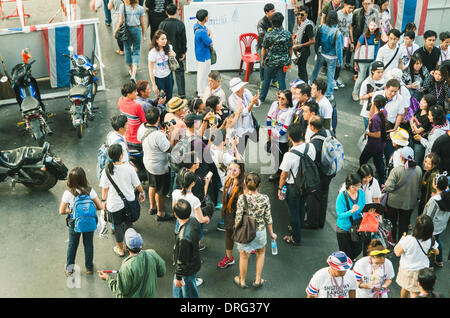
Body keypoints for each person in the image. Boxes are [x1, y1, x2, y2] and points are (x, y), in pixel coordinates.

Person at [100, 144, 146, 257]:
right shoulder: (129, 168)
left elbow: (104, 189)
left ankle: (120, 250)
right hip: (129, 202)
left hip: (114, 204)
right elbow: (137, 184)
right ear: (121, 155)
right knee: (129, 223)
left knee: (118, 227)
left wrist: (103, 201)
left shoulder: (106, 170)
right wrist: (142, 192)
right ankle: (131, 247)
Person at [233, 172, 276, 288]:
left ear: (246, 184)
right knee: (260, 252)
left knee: (243, 255)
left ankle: (242, 281)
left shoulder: (242, 198)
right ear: (260, 185)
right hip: (260, 231)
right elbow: (268, 217)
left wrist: (236, 232)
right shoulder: (265, 198)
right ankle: (257, 280)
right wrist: (272, 233)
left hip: (245, 231)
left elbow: (238, 217)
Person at [97, 228, 166, 298]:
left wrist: (108, 279)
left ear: (127, 247)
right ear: (142, 244)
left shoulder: (127, 266)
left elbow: (121, 290)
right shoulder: (152, 254)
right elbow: (162, 272)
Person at [60, 167, 103, 276]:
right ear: (84, 178)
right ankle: (89, 268)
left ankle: (69, 269)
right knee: (88, 244)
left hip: (74, 223)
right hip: (89, 222)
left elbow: (61, 211)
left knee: (72, 245)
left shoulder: (68, 193)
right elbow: (100, 206)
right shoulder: (90, 191)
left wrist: (71, 210)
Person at [278, 123, 316, 246]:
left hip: (293, 186)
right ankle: (298, 226)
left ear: (289, 137)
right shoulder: (310, 147)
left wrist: (280, 188)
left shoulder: (289, 155)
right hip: (307, 184)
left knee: (293, 211)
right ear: (303, 134)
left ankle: (296, 237)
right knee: (301, 205)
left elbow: (284, 175)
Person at [137, 107, 174, 220]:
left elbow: (140, 139)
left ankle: (152, 207)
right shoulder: (158, 135)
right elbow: (169, 148)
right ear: (158, 118)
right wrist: (171, 134)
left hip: (148, 163)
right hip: (160, 167)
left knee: (152, 185)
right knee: (161, 191)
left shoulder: (141, 127)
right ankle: (160, 213)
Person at [394, 214, 439, 298]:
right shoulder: (430, 239)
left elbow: (397, 253)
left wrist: (401, 240)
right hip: (422, 271)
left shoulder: (408, 239)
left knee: (405, 288)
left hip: (407, 270)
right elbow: (437, 252)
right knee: (414, 292)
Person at [384, 146, 422, 243]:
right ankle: (401, 243)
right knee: (404, 225)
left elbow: (389, 187)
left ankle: (391, 242)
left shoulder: (396, 171)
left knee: (392, 223)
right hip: (409, 203)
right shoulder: (418, 170)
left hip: (393, 202)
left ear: (401, 158)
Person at [172, 168, 211, 251]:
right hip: (192, 225)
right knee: (194, 242)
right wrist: (206, 218)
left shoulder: (175, 193)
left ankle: (179, 248)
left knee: (179, 236)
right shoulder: (195, 200)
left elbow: (174, 208)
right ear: (193, 183)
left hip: (180, 221)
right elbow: (200, 219)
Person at [260, 12, 293, 103]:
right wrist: (289, 59)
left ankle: (261, 99)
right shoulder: (287, 34)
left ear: (272, 21)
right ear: (282, 21)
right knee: (281, 81)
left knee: (266, 80)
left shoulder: (268, 34)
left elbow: (264, 49)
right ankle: (283, 100)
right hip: (283, 62)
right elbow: (290, 49)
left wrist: (262, 60)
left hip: (270, 61)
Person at [218, 160, 245, 269]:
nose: (231, 172)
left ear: (241, 170)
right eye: (230, 169)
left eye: (235, 170)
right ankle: (229, 258)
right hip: (229, 213)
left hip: (240, 215)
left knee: (242, 238)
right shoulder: (229, 180)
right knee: (229, 234)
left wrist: (238, 220)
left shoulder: (244, 185)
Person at [309, 11, 343, 100]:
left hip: (322, 52)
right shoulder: (337, 33)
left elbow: (317, 41)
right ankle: (328, 94)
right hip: (332, 57)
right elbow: (339, 49)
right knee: (330, 76)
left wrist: (317, 51)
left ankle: (311, 83)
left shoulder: (321, 27)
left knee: (316, 69)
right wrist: (340, 61)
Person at [172, 199, 203, 298]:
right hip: (193, 262)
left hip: (187, 270)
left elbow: (182, 260)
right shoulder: (194, 221)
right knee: (179, 290)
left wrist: (178, 277)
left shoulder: (183, 238)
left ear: (175, 215)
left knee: (189, 293)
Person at [309, 115, 335, 228]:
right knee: (324, 195)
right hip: (330, 171)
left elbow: (313, 161)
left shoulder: (315, 142)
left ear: (312, 127)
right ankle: (321, 221)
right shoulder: (330, 133)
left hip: (320, 173)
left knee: (314, 197)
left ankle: (313, 222)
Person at [352, 17, 386, 101]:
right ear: (368, 25)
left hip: (374, 60)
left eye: (375, 25)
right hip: (364, 60)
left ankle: (369, 93)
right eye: (371, 24)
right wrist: (355, 62)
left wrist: (381, 27)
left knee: (372, 78)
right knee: (361, 77)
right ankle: (355, 92)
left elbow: (386, 39)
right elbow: (357, 48)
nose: (372, 27)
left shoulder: (379, 34)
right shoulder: (363, 36)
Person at [158, 3, 187, 98]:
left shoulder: (162, 24)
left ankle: (169, 90)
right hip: (177, 53)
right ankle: (181, 93)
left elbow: (159, 39)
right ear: (176, 11)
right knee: (179, 72)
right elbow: (183, 40)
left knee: (168, 72)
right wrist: (183, 52)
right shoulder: (180, 24)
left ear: (166, 12)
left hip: (165, 51)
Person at [113, 0, 146, 82]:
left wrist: (115, 31)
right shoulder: (140, 8)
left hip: (127, 30)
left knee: (127, 49)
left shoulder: (122, 6)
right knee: (136, 51)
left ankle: (131, 70)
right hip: (136, 29)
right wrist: (143, 35)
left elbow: (120, 21)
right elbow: (143, 23)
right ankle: (134, 73)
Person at [335, 172, 365, 261]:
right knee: (345, 252)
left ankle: (350, 261)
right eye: (354, 186)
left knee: (358, 249)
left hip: (356, 226)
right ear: (348, 185)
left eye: (358, 186)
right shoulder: (341, 197)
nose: (357, 189)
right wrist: (351, 211)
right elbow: (340, 215)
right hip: (343, 228)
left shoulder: (361, 193)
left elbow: (363, 206)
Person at [266, 89, 295, 181]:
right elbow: (269, 118)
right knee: (275, 154)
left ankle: (280, 173)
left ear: (288, 100)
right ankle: (278, 170)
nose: (280, 100)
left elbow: (285, 127)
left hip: (282, 139)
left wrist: (276, 136)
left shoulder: (289, 111)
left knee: (281, 156)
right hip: (273, 135)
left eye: (283, 99)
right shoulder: (274, 104)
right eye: (279, 97)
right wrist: (269, 133)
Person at [359, 94, 387, 185]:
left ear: (374, 103)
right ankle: (381, 181)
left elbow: (377, 134)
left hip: (373, 144)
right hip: (381, 143)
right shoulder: (383, 111)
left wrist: (367, 133)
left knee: (363, 160)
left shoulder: (375, 118)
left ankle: (363, 176)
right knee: (378, 161)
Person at [227, 78, 261, 153]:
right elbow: (243, 113)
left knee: (243, 146)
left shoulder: (246, 92)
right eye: (240, 88)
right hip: (238, 128)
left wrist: (255, 101)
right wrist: (251, 103)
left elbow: (256, 103)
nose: (242, 89)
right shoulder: (231, 100)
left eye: (242, 87)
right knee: (237, 150)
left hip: (248, 125)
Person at [423, 174, 450, 268]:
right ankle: (439, 260)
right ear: (446, 186)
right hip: (441, 226)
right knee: (437, 241)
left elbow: (429, 216)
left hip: (431, 227)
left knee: (430, 245)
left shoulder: (435, 200)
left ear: (435, 185)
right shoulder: (447, 197)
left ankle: (430, 265)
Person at [148, 30, 176, 101]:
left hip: (168, 75)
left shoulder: (169, 47)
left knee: (170, 96)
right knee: (162, 98)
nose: (165, 41)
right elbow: (151, 70)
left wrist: (173, 54)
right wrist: (154, 85)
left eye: (165, 38)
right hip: (159, 78)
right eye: (162, 39)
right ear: (157, 40)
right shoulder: (152, 53)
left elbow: (173, 55)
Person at [118, 81, 147, 148]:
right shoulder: (136, 106)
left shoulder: (120, 100)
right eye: (135, 92)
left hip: (126, 137)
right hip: (138, 140)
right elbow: (145, 122)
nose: (137, 93)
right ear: (129, 94)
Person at [409, 94, 436, 167]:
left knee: (417, 161)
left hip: (420, 143)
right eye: (421, 100)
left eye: (424, 102)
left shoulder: (428, 117)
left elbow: (418, 131)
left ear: (429, 104)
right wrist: (413, 127)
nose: (421, 102)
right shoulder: (419, 110)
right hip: (412, 138)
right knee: (410, 157)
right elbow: (411, 119)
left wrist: (414, 126)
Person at [334, 0, 355, 88]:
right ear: (345, 5)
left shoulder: (351, 15)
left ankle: (336, 77)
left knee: (341, 60)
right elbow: (334, 29)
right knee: (335, 60)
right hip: (338, 40)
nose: (351, 10)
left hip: (346, 40)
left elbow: (350, 28)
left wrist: (352, 41)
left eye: (352, 9)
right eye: (350, 7)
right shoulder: (337, 14)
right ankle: (333, 80)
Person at [359, 61, 385, 129]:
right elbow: (361, 97)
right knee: (368, 131)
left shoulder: (385, 82)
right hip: (367, 112)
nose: (380, 74)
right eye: (378, 72)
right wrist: (370, 95)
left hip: (380, 111)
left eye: (382, 72)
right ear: (373, 71)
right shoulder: (366, 82)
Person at [293, 5, 315, 83]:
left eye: (302, 14)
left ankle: (304, 85)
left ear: (307, 15)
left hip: (304, 50)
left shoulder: (308, 25)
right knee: (300, 69)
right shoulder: (300, 22)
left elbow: (312, 41)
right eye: (298, 14)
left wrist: (300, 45)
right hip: (298, 49)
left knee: (302, 70)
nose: (299, 16)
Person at [194, 9, 213, 96]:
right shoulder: (202, 32)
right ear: (205, 18)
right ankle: (201, 93)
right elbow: (210, 42)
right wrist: (211, 34)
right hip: (204, 56)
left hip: (199, 54)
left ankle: (202, 90)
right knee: (203, 75)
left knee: (201, 74)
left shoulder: (196, 26)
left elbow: (205, 29)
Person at [256, 3, 276, 87]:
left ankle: (274, 81)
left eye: (274, 10)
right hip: (263, 47)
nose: (274, 12)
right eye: (272, 11)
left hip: (274, 46)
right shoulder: (261, 23)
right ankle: (263, 81)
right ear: (266, 12)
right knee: (263, 63)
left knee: (275, 63)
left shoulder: (276, 20)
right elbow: (262, 36)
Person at [419, 152, 441, 217]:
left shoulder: (434, 176)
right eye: (425, 161)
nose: (425, 164)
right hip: (423, 201)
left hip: (427, 205)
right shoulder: (428, 171)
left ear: (434, 165)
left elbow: (434, 194)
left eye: (429, 164)